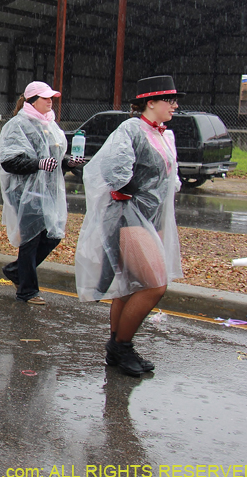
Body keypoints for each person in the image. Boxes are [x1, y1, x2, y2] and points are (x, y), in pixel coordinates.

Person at [74, 75, 184, 377]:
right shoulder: (131, 129)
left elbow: (166, 181)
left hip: (149, 218)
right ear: (150, 102)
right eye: (169, 100)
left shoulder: (164, 134)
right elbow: (110, 169)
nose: (175, 105)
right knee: (154, 285)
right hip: (126, 216)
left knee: (130, 285)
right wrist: (127, 190)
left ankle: (118, 347)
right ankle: (121, 346)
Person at [0, 81, 84, 306]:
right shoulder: (17, 125)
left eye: (51, 97)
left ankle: (16, 271)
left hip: (48, 191)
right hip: (24, 193)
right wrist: (38, 164)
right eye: (45, 97)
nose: (50, 101)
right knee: (31, 240)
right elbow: (9, 161)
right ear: (32, 100)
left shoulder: (51, 125)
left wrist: (68, 162)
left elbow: (54, 160)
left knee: (52, 236)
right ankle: (27, 291)